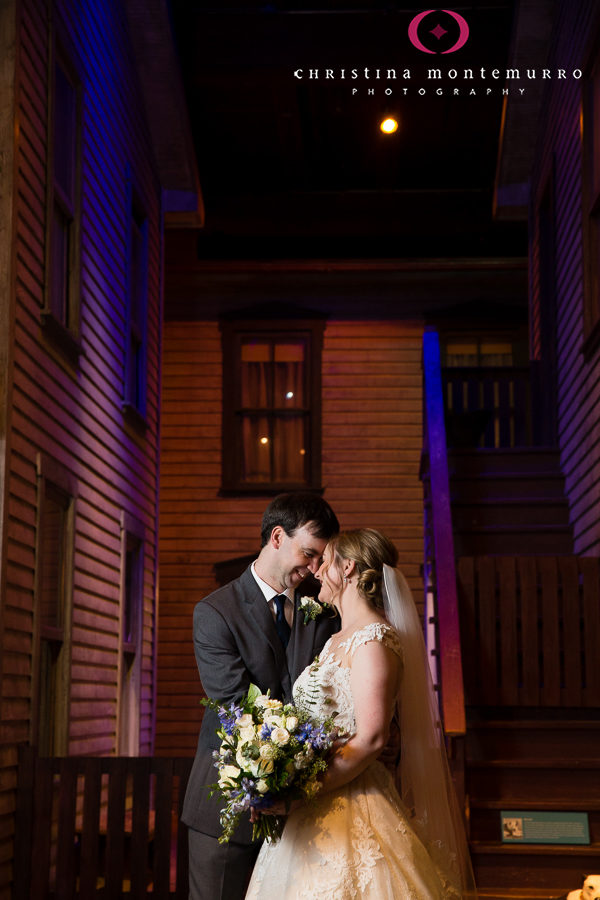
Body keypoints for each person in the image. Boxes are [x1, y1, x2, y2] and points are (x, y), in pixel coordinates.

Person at [245, 529, 477, 900]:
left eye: (325, 562)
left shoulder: (373, 640)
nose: (316, 571)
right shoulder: (337, 637)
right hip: (310, 809)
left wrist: (301, 795)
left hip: (353, 803)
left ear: (348, 568)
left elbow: (371, 737)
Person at [182, 492, 340, 900]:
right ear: (275, 537)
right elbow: (236, 705)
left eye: (320, 559)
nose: (313, 569)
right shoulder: (216, 612)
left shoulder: (321, 612)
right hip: (228, 810)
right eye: (308, 554)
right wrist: (263, 784)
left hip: (301, 815)